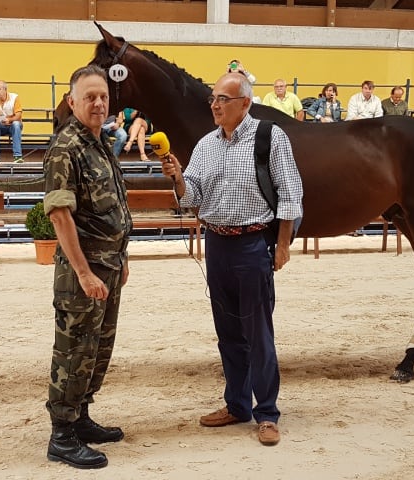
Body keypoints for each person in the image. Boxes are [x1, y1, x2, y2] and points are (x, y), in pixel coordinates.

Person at [161, 72, 303, 446]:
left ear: (245, 103)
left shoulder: (270, 138)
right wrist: (177, 178)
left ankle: (267, 413)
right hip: (217, 245)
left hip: (253, 243)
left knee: (258, 332)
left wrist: (284, 243)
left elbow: (290, 193)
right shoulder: (206, 144)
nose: (215, 105)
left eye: (223, 99)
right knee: (228, 332)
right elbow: (191, 195)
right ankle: (237, 405)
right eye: (213, 98)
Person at [42, 65, 133, 469]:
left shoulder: (99, 144)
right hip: (84, 273)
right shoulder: (67, 147)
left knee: (97, 350)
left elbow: (115, 209)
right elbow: (60, 216)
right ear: (72, 101)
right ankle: (61, 435)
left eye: (104, 97)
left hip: (109, 268)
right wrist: (83, 272)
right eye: (90, 97)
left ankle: (80, 417)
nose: (98, 103)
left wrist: (122, 258)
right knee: (75, 350)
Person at [0, 80, 23, 163]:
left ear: (5, 89)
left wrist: (9, 120)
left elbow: (18, 115)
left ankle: (18, 156)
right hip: (1, 126)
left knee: (16, 124)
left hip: (12, 125)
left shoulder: (14, 97)